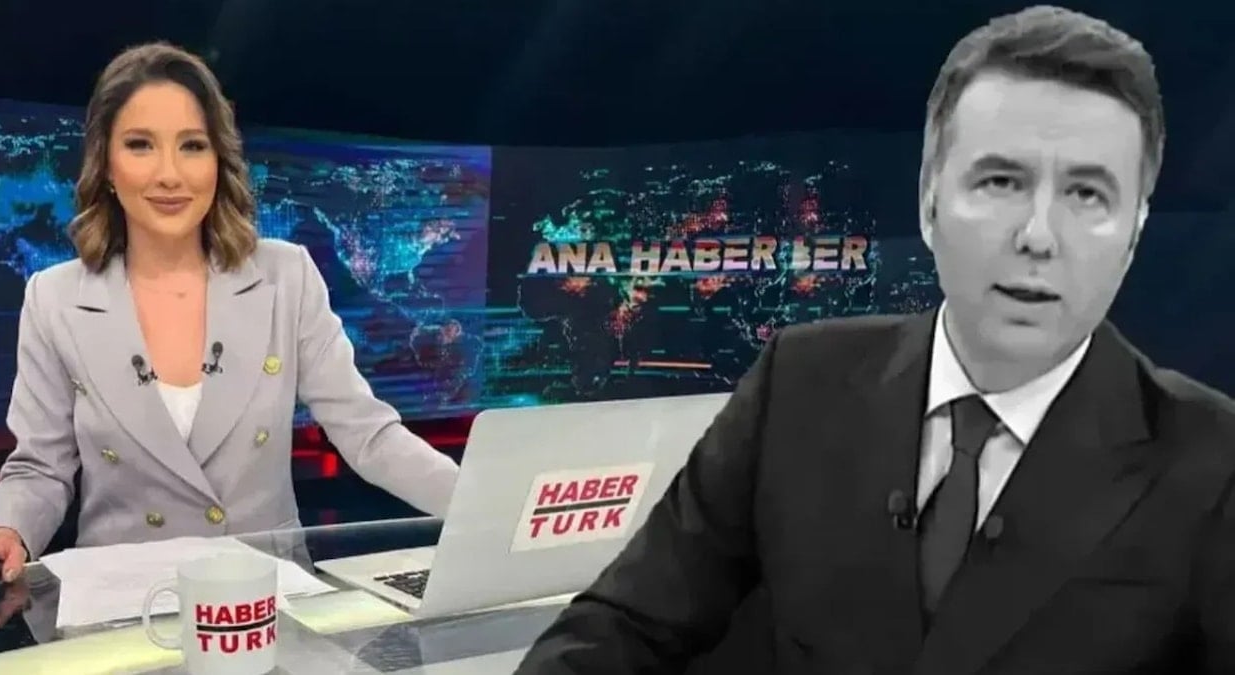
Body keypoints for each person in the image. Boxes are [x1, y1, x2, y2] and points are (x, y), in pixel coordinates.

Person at [515, 6, 1235, 674]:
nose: (1038, 236)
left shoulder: (1214, 463)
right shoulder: (798, 383)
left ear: (1134, 233)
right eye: (1000, 181)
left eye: (1086, 194)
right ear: (928, 201)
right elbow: (624, 626)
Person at [0, 42, 460, 583]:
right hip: (121, 605)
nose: (170, 174)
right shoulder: (54, 298)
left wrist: (486, 509)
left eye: (192, 146)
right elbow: (41, 466)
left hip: (265, 600)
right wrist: (9, 528)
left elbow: (369, 437)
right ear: (105, 164)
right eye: (140, 145)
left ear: (219, 161)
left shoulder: (286, 276)